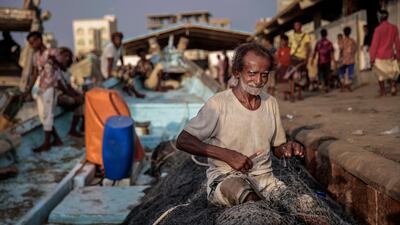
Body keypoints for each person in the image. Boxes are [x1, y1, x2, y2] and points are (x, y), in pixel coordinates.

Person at [176, 42, 307, 210]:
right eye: (252, 74)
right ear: (237, 72)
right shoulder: (218, 104)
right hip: (226, 179)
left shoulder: (270, 103)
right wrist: (226, 155)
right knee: (250, 200)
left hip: (266, 180)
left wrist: (288, 147)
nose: (259, 81)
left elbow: (277, 148)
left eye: (264, 75)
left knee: (305, 206)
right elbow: (183, 140)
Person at [26, 31, 63, 152]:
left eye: (33, 42)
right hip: (40, 87)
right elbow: (35, 73)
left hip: (51, 86)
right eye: (30, 43)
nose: (32, 45)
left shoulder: (53, 52)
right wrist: (29, 89)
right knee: (42, 115)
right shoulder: (35, 56)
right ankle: (57, 139)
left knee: (48, 114)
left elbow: (63, 67)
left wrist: (55, 61)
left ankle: (46, 143)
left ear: (39, 40)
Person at [370, 9, 400, 97]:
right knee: (392, 72)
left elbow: (374, 45)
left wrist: (372, 58)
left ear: (380, 17)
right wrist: (398, 54)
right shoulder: (394, 28)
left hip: (379, 55)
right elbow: (397, 42)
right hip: (390, 54)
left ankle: (383, 91)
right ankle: (393, 87)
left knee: (380, 74)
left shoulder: (378, 29)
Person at [55, 47, 84, 137]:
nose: (67, 58)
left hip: (64, 93)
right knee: (75, 102)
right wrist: (75, 97)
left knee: (83, 99)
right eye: (65, 56)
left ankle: (82, 126)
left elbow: (69, 87)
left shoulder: (67, 71)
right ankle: (73, 130)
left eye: (68, 56)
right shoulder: (55, 69)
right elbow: (60, 86)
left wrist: (79, 95)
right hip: (57, 95)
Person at [289, 21, 311, 101]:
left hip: (301, 58)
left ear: (301, 26)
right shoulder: (291, 36)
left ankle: (299, 94)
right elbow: (289, 47)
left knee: (300, 77)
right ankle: (292, 94)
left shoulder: (306, 36)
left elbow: (308, 48)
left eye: (298, 25)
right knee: (291, 77)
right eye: (295, 25)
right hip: (293, 58)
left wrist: (307, 59)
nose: (296, 27)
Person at [312, 28, 334, 93]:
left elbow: (315, 52)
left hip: (320, 61)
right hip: (327, 61)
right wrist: (334, 60)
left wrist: (312, 60)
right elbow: (331, 52)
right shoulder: (329, 43)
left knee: (321, 74)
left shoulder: (318, 43)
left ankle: (322, 87)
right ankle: (326, 87)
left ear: (321, 34)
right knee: (327, 74)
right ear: (326, 34)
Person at [339, 26, 357, 92]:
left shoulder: (342, 41)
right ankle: (348, 84)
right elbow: (355, 49)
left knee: (341, 71)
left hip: (343, 58)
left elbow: (340, 49)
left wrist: (340, 57)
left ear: (344, 33)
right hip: (351, 59)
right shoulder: (353, 41)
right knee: (350, 72)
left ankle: (342, 82)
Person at [275, 34, 291, 99]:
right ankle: (284, 94)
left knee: (288, 81)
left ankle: (289, 93)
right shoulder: (280, 50)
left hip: (288, 67)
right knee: (282, 81)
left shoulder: (290, 49)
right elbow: (277, 58)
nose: (282, 42)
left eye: (283, 41)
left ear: (287, 41)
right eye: (281, 41)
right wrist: (278, 64)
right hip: (282, 67)